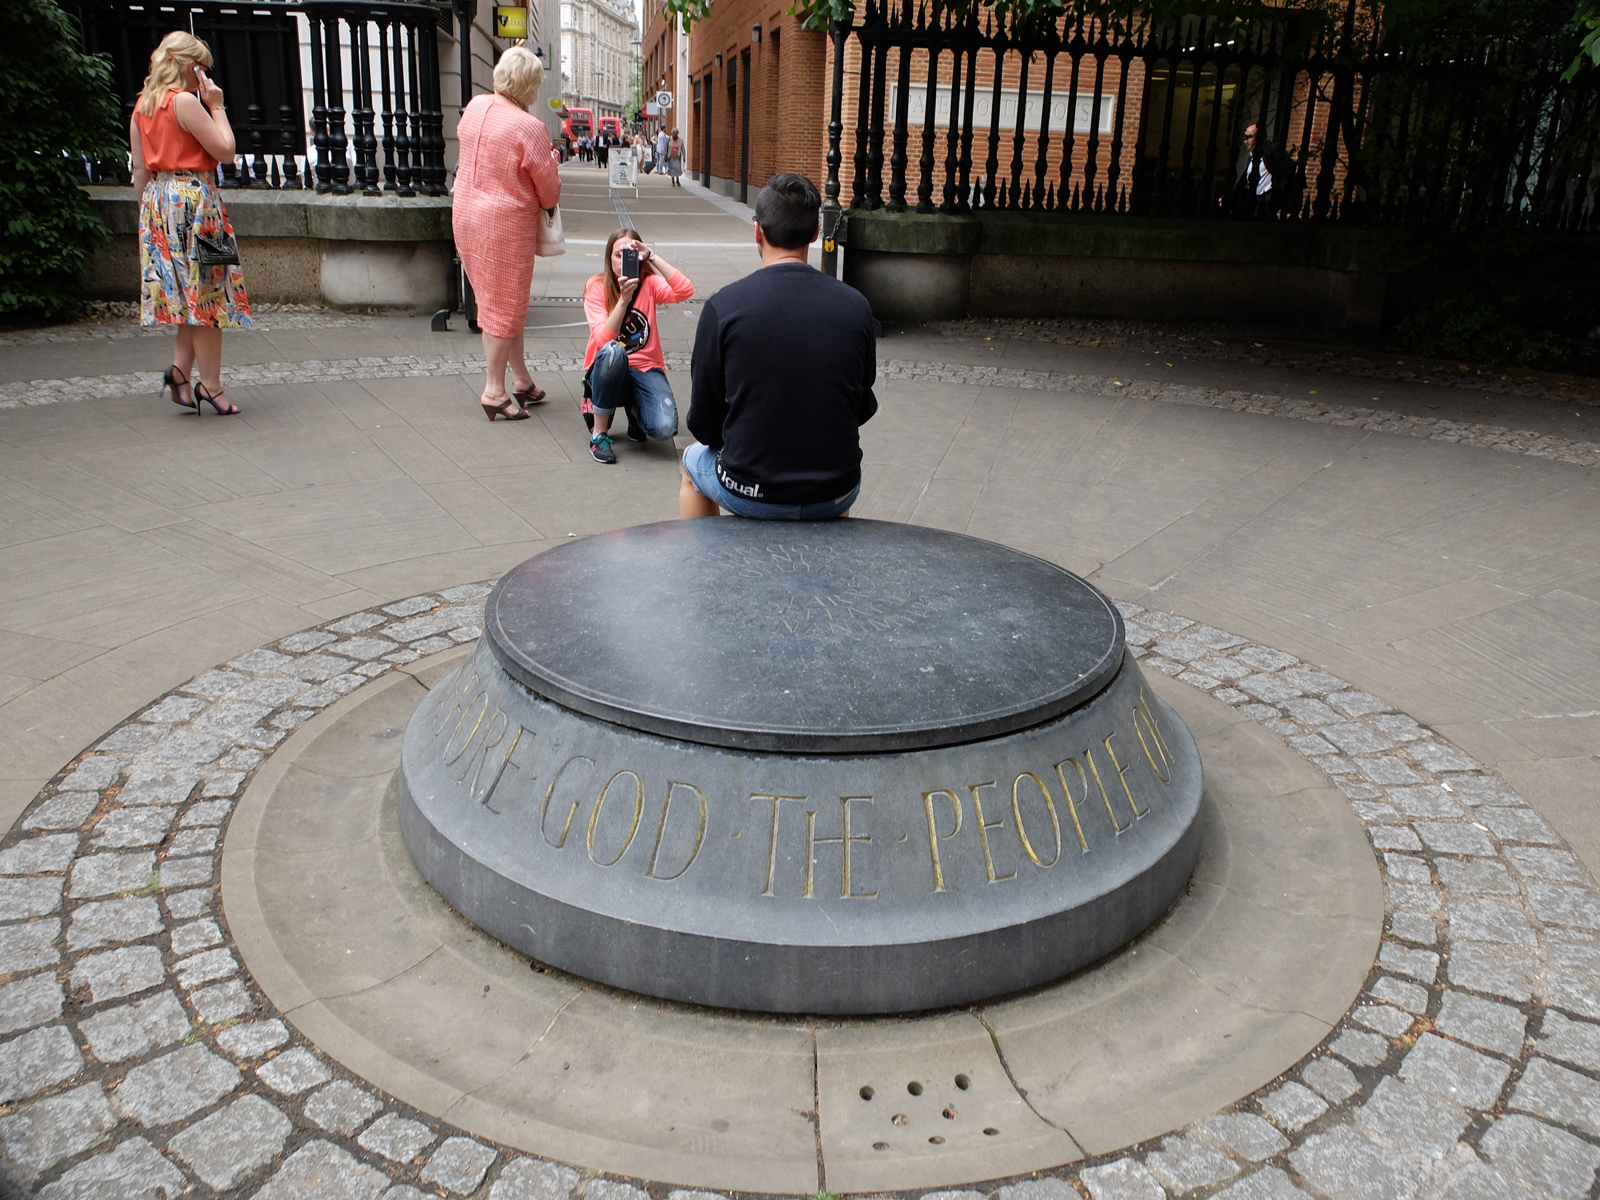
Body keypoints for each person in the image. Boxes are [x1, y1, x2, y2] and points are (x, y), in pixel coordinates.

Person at [681, 174, 876, 518]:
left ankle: (702, 567)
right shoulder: (856, 306)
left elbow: (704, 423)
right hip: (837, 487)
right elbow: (859, 407)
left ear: (758, 231)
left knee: (691, 464)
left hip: (749, 489)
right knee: (834, 475)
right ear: (816, 233)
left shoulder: (723, 307)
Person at [130, 31, 251, 416]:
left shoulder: (143, 105)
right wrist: (216, 105)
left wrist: (148, 220)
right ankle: (211, 387)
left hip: (158, 203)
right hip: (197, 202)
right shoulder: (184, 102)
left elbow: (139, 171)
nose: (206, 74)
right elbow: (226, 151)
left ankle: (180, 371)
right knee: (210, 297)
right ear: (189, 66)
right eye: (202, 67)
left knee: (188, 298)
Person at [451, 46, 562, 421]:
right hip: (503, 225)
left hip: (465, 216)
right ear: (529, 86)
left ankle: (521, 378)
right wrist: (552, 165)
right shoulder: (528, 126)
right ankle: (494, 390)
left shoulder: (476, 107)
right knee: (503, 307)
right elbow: (549, 193)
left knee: (498, 302)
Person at [581, 228, 694, 464]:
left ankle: (636, 412)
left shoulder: (650, 284)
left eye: (629, 254)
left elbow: (685, 290)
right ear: (608, 258)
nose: (623, 261)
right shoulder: (597, 287)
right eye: (617, 255)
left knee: (664, 428)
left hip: (646, 369)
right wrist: (623, 299)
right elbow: (603, 341)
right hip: (609, 369)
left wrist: (651, 255)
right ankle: (599, 434)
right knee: (614, 350)